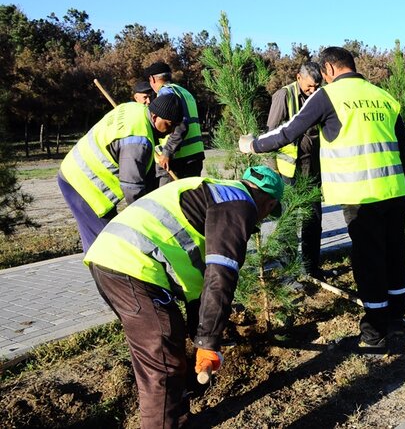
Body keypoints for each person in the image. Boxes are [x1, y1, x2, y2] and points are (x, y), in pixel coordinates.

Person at [239, 46, 405, 352]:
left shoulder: (328, 96)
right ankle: (396, 316)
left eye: (323, 75)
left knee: (368, 260)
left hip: (360, 195)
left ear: (329, 70)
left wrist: (253, 145)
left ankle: (374, 333)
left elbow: (288, 131)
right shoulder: (383, 96)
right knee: (393, 254)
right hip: (393, 191)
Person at [84, 166, 283, 429]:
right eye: (269, 212)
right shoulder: (240, 205)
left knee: (167, 343)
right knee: (163, 364)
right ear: (268, 203)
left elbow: (199, 290)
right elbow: (220, 276)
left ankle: (177, 419)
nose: (262, 220)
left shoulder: (214, 191)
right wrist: (209, 343)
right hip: (132, 266)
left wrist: (203, 339)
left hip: (112, 258)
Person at [58, 94, 183, 252]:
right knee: (105, 246)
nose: (171, 131)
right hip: (82, 183)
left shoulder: (135, 109)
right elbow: (132, 187)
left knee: (106, 242)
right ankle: (104, 274)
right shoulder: (137, 140)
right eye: (169, 125)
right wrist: (144, 221)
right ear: (155, 115)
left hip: (76, 171)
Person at [266, 62, 328, 278]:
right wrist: (272, 172)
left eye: (317, 86)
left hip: (311, 168)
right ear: (298, 77)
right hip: (288, 171)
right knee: (289, 222)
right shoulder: (283, 96)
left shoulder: (319, 96)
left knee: (313, 219)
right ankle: (288, 270)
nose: (313, 90)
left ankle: (312, 268)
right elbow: (271, 133)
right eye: (310, 86)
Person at [145, 61, 205, 185]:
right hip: (194, 156)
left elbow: (181, 125)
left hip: (177, 159)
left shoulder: (166, 94)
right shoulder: (184, 91)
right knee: (191, 200)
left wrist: (167, 152)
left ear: (152, 79)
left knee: (168, 201)